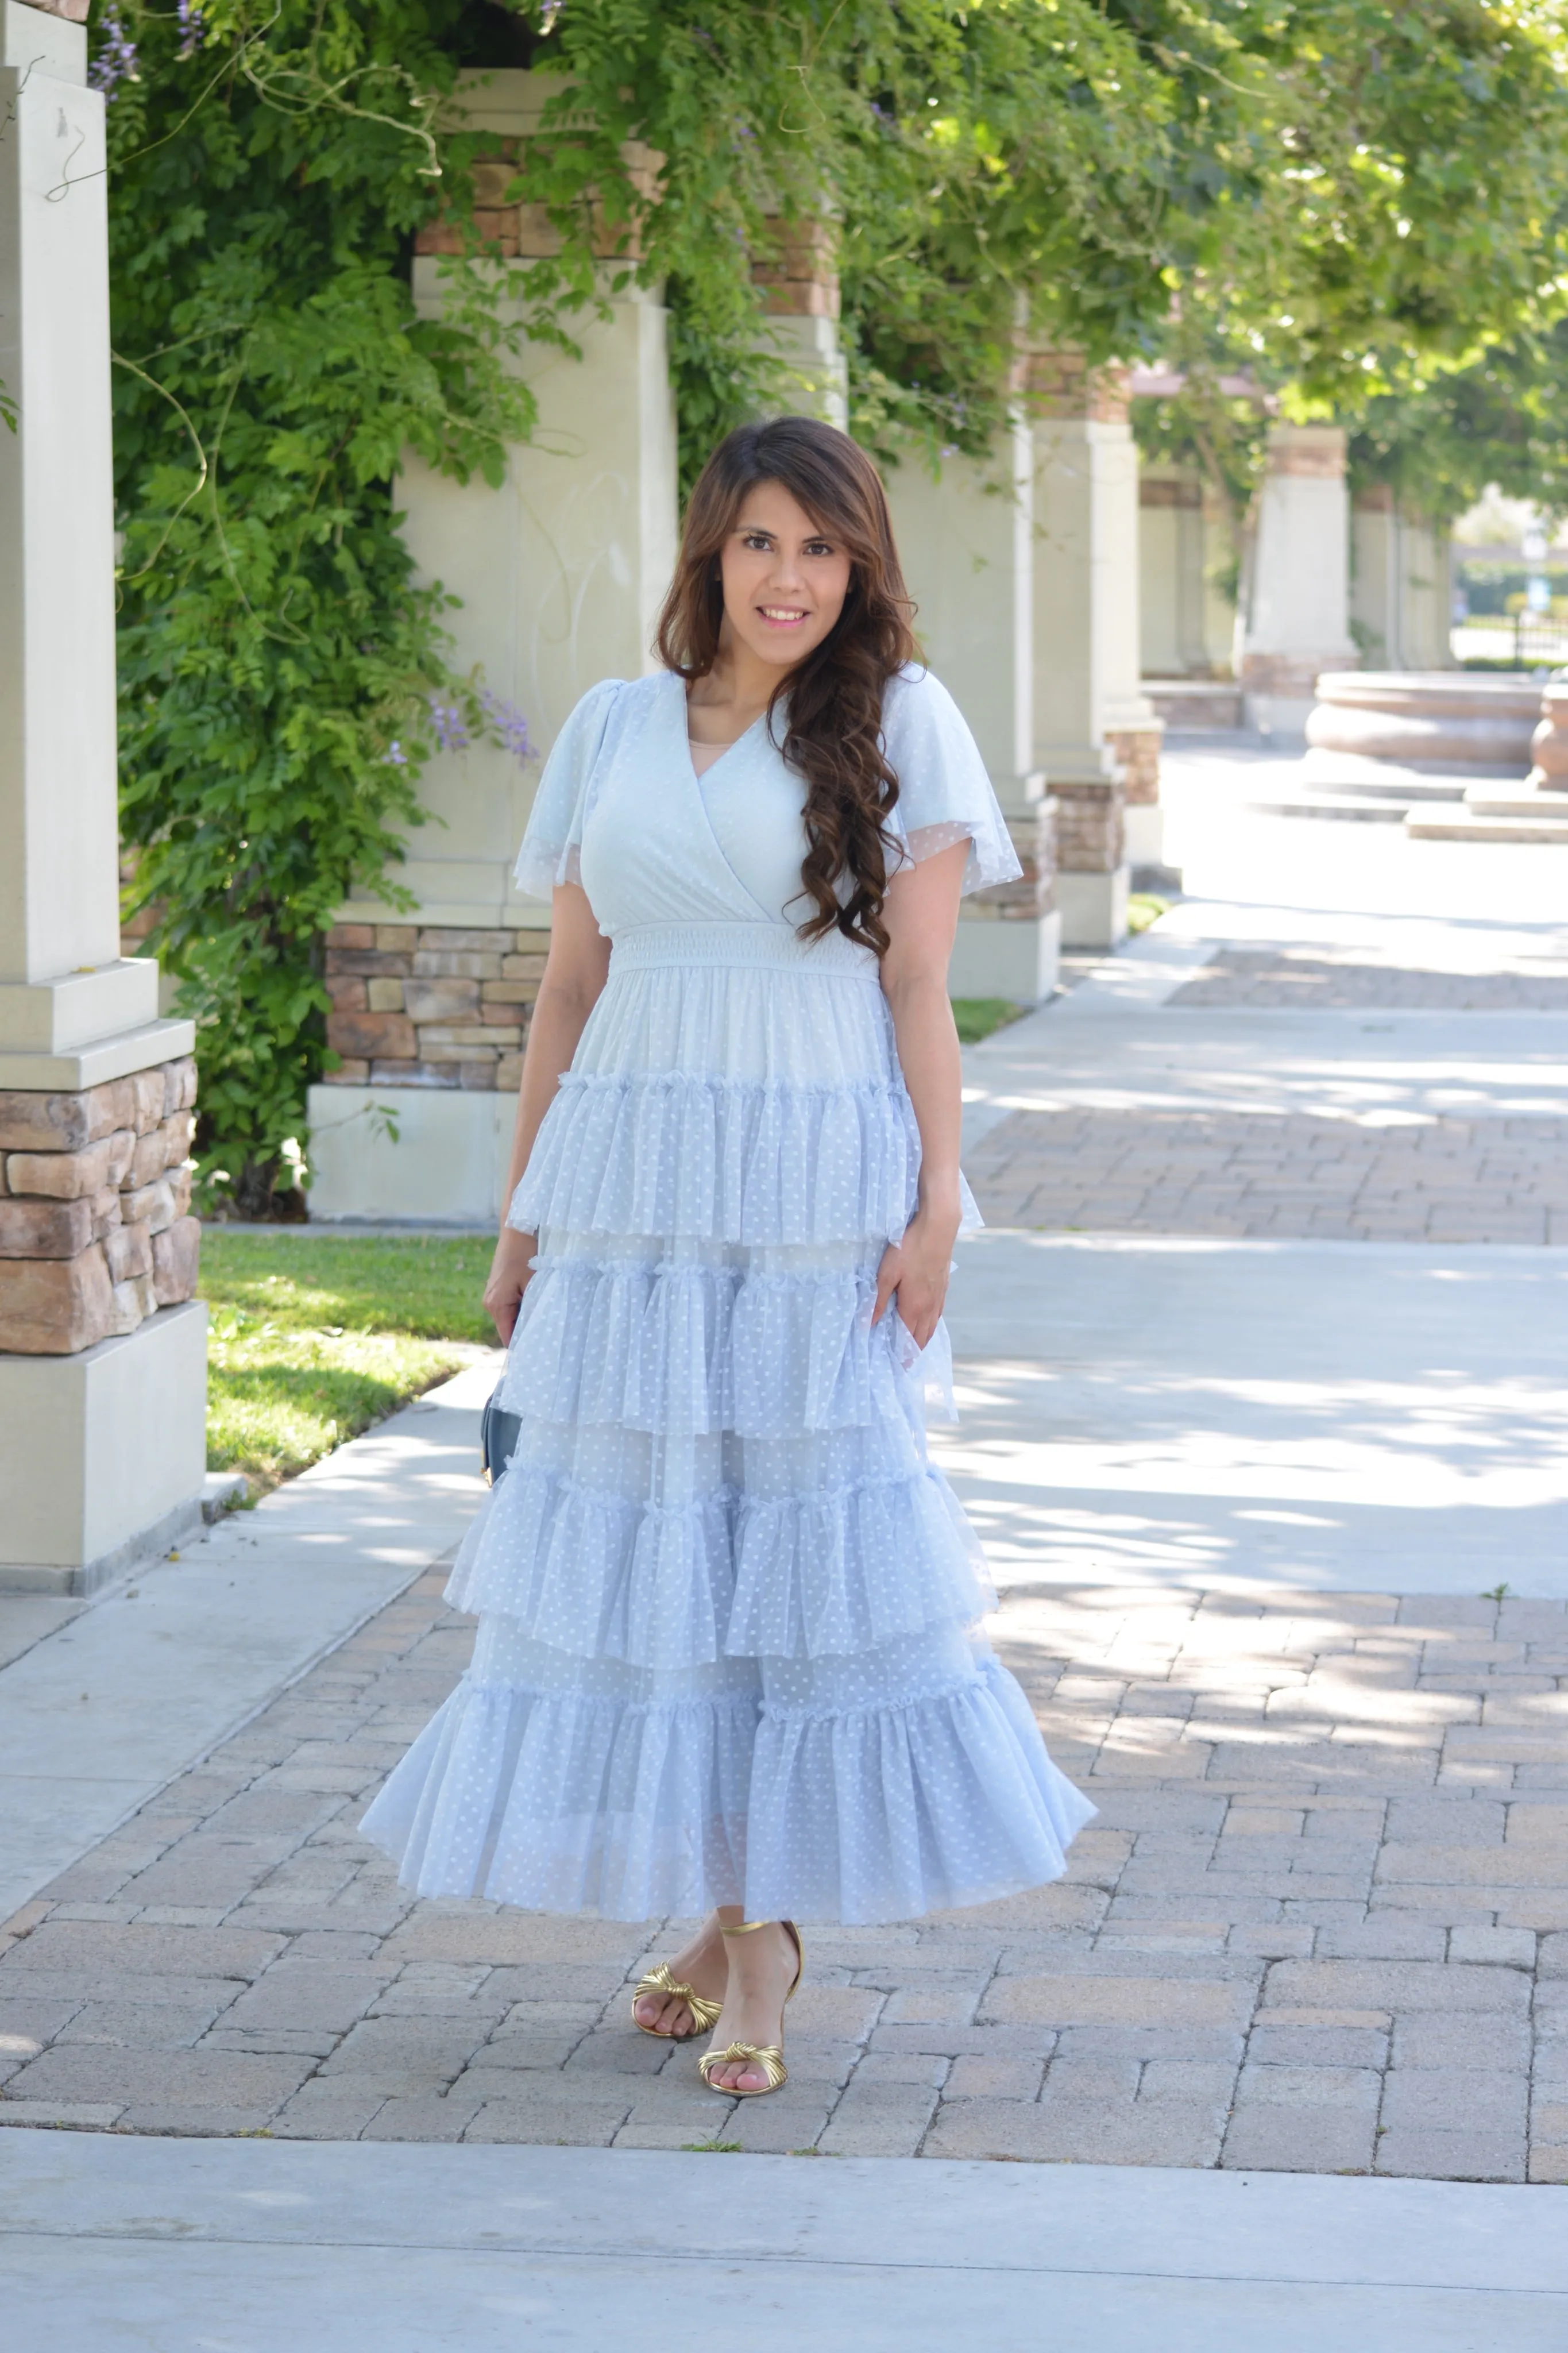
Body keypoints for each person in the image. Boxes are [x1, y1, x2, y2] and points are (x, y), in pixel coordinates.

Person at [362, 415, 1094, 2099]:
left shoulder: (902, 721)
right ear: (711, 552)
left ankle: (758, 1943)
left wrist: (935, 1215)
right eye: (764, 543)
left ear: (863, 568)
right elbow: (568, 989)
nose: (792, 579)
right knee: (668, 1557)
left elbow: (919, 990)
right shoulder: (616, 729)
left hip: (815, 1178)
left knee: (802, 1554)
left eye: (825, 550)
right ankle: (726, 1921)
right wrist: (523, 1214)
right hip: (631, 1187)